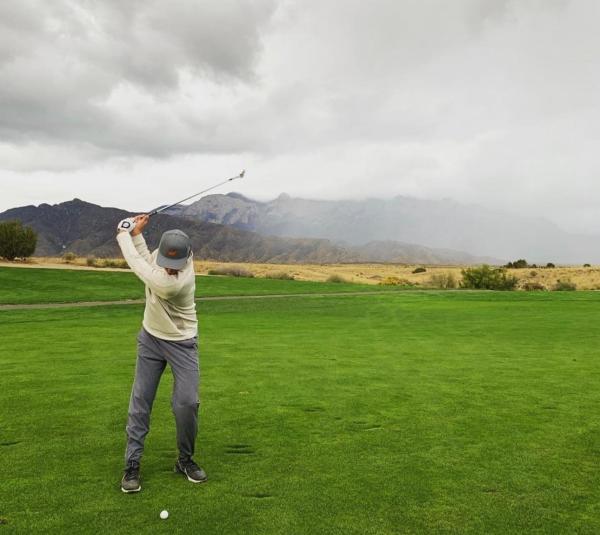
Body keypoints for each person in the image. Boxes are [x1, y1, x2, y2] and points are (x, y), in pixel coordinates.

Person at [116, 214, 206, 493]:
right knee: (140, 402)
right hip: (151, 338)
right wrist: (137, 234)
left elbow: (139, 266)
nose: (168, 270)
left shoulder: (176, 283)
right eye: (165, 264)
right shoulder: (163, 258)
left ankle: (185, 460)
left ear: (187, 258)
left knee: (187, 403)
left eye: (173, 266)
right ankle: (132, 464)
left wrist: (123, 232)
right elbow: (147, 259)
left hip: (182, 343)